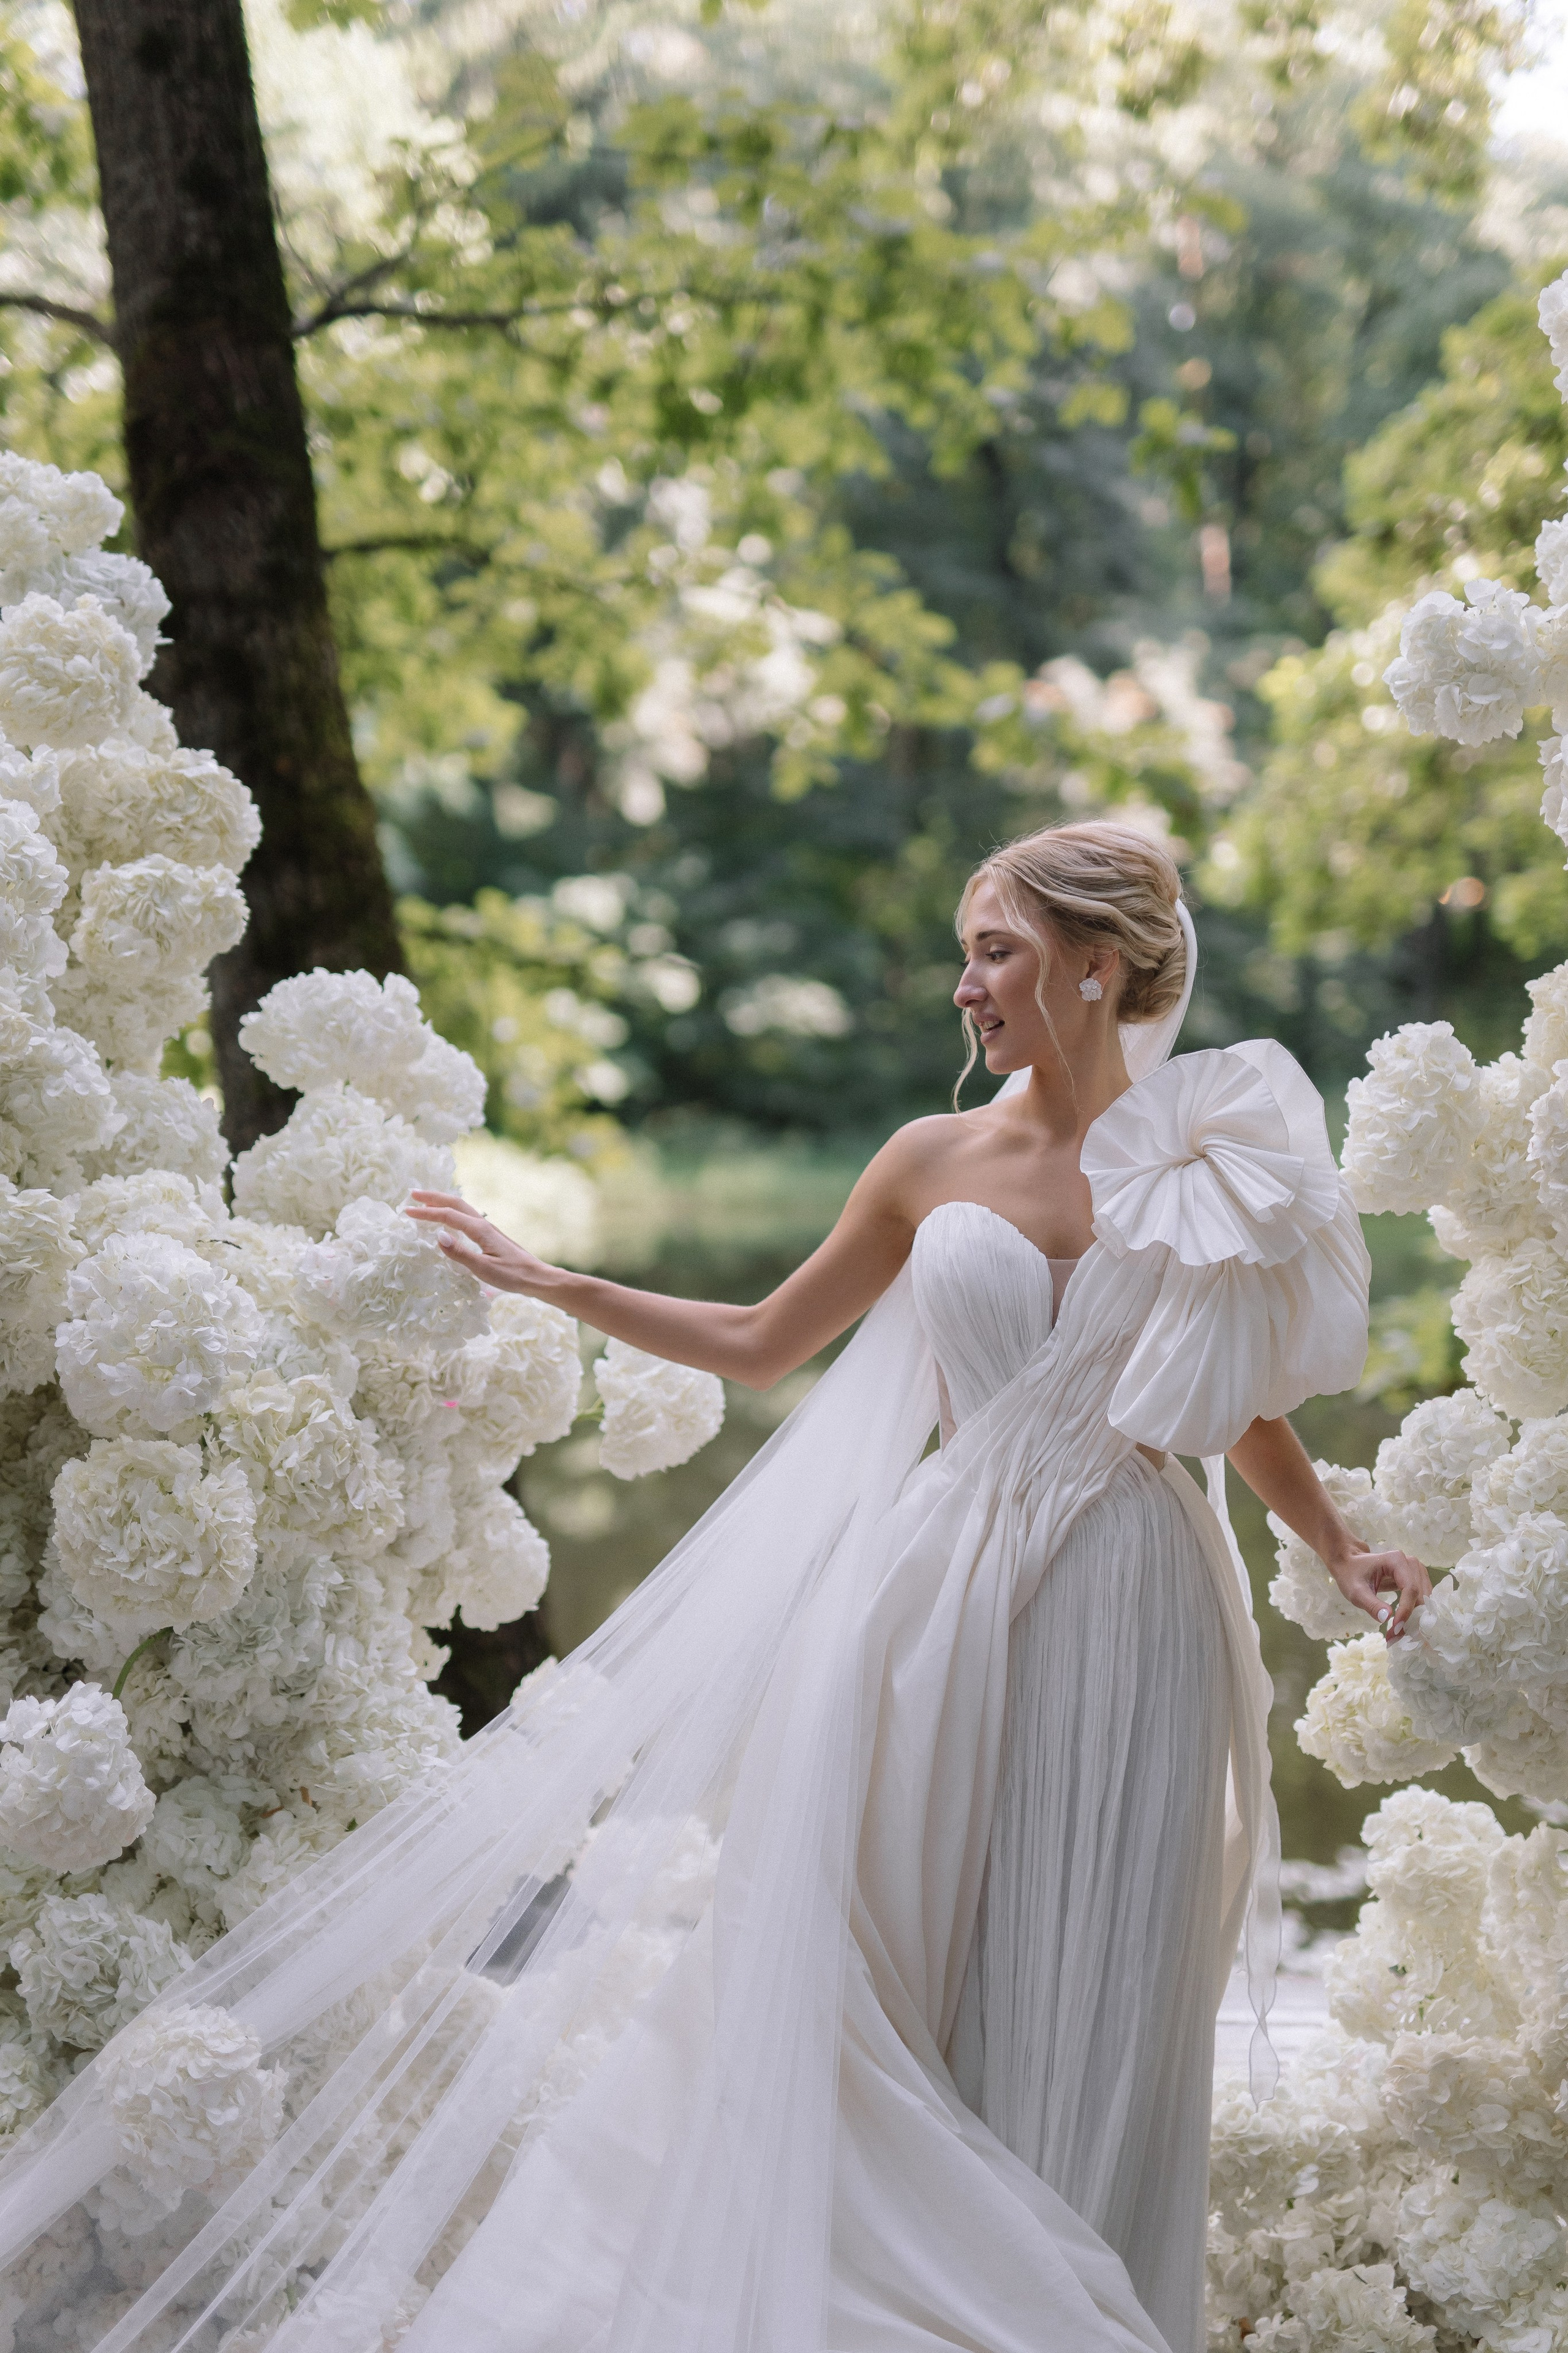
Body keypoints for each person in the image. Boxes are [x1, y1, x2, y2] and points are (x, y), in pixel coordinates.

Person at [0, 821, 1426, 2353]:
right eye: (966, 952)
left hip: (1141, 1606)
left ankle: (1095, 2298)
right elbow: (760, 1341)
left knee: (1108, 1975)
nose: (964, 985)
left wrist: (1334, 1543)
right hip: (938, 1609)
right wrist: (559, 1283)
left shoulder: (1208, 1153)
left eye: (994, 950)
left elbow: (1235, 1395)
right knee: (878, 1973)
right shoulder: (930, 1158)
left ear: (1094, 962)